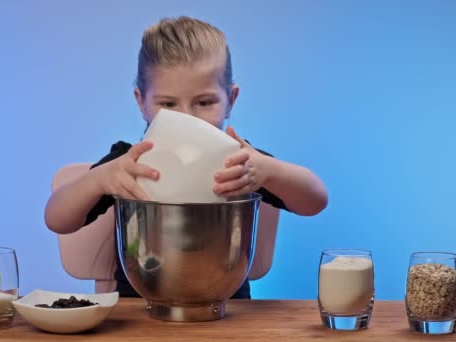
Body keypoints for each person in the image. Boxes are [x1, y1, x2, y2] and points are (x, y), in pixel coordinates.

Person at [45, 16, 328, 299]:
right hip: (137, 317)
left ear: (231, 99)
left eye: (204, 102)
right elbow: (57, 219)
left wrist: (270, 171)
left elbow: (315, 200)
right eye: (168, 104)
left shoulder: (241, 163)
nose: (186, 118)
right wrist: (98, 180)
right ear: (141, 102)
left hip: (228, 315)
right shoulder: (128, 163)